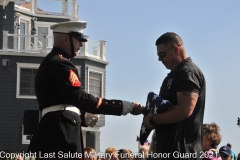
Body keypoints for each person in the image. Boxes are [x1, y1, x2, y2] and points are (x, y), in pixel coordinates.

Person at [27, 21, 143, 159]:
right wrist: (124, 106)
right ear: (65, 39)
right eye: (78, 40)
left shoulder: (52, 62)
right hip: (61, 133)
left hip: (53, 130)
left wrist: (81, 115)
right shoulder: (61, 64)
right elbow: (81, 98)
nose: (81, 45)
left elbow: (62, 100)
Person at [143, 32, 206, 159]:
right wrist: (143, 110)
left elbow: (184, 110)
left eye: (162, 54)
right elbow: (166, 107)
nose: (159, 59)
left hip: (183, 152)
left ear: (176, 49)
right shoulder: (173, 75)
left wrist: (153, 120)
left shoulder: (188, 72)